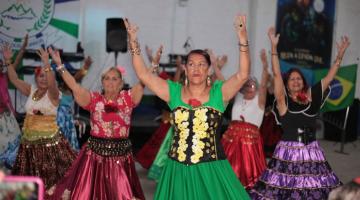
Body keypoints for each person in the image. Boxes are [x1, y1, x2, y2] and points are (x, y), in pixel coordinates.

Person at [125, 14, 251, 199]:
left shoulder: (219, 93)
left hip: (211, 170)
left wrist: (242, 38)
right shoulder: (173, 92)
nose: (196, 69)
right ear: (185, 69)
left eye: (201, 65)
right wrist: (133, 41)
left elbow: (242, 75)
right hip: (177, 171)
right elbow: (143, 75)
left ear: (208, 70)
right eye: (191, 64)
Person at [250, 27, 349, 199]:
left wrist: (339, 56)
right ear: (287, 85)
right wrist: (274, 48)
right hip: (288, 153)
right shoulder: (283, 101)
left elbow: (328, 78)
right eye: (292, 79)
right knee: (284, 191)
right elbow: (276, 74)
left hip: (312, 151)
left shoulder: (312, 97)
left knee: (315, 191)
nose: (295, 81)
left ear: (303, 82)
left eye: (299, 78)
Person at [48, 47, 145, 199]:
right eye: (107, 78)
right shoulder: (94, 99)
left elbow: (143, 80)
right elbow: (74, 85)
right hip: (94, 156)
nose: (110, 82)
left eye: (114, 78)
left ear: (121, 82)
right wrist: (60, 66)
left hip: (121, 157)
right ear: (102, 82)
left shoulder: (127, 98)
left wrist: (151, 64)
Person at [3, 45, 76, 190]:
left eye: (46, 75)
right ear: (36, 78)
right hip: (28, 144)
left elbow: (52, 83)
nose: (44, 79)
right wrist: (8, 61)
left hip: (48, 146)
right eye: (40, 75)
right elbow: (14, 79)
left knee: (50, 184)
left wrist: (47, 64)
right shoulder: (31, 90)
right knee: (28, 185)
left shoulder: (54, 94)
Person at [220, 49, 269, 190]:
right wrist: (217, 67)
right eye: (246, 84)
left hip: (249, 145)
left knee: (249, 176)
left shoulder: (259, 100)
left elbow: (265, 85)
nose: (249, 86)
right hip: (230, 141)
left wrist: (265, 66)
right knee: (226, 174)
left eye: (252, 84)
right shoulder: (238, 97)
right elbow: (224, 84)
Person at [0, 35, 28, 169]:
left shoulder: (4, 77)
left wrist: (22, 49)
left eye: (1, 64)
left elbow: (13, 64)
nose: (1, 65)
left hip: (7, 119)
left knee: (14, 153)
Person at [56, 56, 92, 151]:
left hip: (67, 119)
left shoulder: (67, 87)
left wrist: (85, 67)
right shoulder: (53, 88)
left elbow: (77, 77)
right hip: (57, 120)